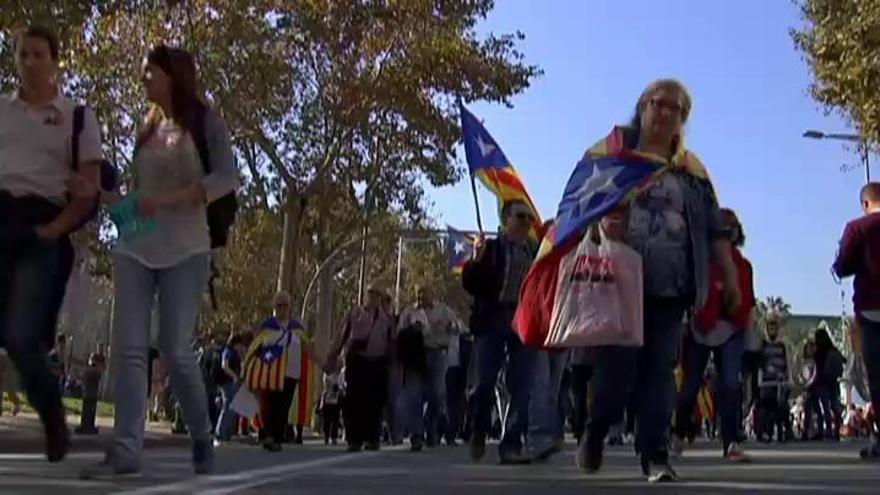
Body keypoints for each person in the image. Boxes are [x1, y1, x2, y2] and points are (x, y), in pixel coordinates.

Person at [569, 79, 741, 483]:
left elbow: (715, 229)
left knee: (660, 372)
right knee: (616, 372)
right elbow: (575, 207)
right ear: (642, 107)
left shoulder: (692, 172)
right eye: (657, 103)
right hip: (618, 284)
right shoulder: (611, 158)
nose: (665, 112)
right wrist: (600, 222)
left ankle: (656, 455)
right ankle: (595, 431)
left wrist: (729, 276)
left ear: (683, 119)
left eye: (675, 108)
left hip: (672, 287)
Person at [80, 44, 238, 479]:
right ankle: (127, 450)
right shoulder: (145, 128)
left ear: (173, 74)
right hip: (135, 246)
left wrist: (170, 200)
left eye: (149, 71)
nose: (142, 78)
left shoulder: (206, 122)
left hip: (187, 249)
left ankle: (202, 433)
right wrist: (101, 199)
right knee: (128, 351)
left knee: (174, 349)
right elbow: (139, 197)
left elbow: (227, 177)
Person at [0, 26, 103, 463]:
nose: (29, 63)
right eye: (23, 55)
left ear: (55, 61)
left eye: (38, 54)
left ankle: (53, 418)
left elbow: (89, 191)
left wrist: (54, 228)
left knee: (23, 339)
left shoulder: (76, 116)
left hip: (42, 227)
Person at [671, 208, 755, 462]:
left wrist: (752, 343)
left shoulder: (743, 266)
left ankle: (731, 442)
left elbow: (749, 303)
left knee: (730, 385)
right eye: (718, 234)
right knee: (690, 387)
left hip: (731, 331)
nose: (723, 240)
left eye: (728, 233)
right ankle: (677, 434)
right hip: (699, 330)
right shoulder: (698, 265)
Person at [462, 200, 538, 465]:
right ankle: (479, 429)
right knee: (484, 383)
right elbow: (470, 283)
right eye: (521, 217)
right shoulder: (492, 248)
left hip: (522, 320)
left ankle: (512, 445)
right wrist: (476, 258)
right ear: (506, 220)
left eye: (530, 218)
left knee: (522, 384)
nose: (527, 223)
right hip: (491, 320)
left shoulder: (534, 250)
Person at [834, 182, 880, 459]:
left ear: (865, 204)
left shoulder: (857, 228)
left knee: (877, 376)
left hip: (872, 309)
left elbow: (843, 266)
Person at [242, 292, 316, 452]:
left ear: (290, 308)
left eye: (285, 306)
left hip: (291, 375)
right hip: (269, 374)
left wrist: (324, 363)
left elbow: (309, 350)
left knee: (283, 406)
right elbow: (254, 349)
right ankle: (269, 435)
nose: (282, 309)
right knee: (269, 405)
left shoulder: (297, 329)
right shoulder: (266, 328)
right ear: (274, 308)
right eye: (278, 306)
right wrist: (246, 369)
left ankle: (277, 437)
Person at [327, 286, 395, 452]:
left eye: (377, 295)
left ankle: (372, 438)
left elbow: (392, 341)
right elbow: (342, 334)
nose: (374, 298)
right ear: (366, 296)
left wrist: (392, 362)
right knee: (354, 400)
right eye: (371, 294)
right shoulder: (355, 314)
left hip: (378, 362)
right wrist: (333, 355)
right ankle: (354, 439)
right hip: (357, 360)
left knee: (375, 402)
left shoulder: (387, 318)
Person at [397, 286, 462, 450]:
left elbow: (458, 327)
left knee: (438, 393)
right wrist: (411, 330)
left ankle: (430, 423)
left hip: (437, 354)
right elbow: (399, 332)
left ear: (432, 294)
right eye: (419, 292)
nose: (421, 295)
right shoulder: (409, 312)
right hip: (415, 357)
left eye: (425, 292)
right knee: (414, 395)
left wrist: (449, 327)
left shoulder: (443, 310)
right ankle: (417, 434)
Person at [756, 316, 792, 443]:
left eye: (774, 328)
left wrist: (789, 380)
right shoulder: (763, 346)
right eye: (770, 328)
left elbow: (787, 363)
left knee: (781, 407)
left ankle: (786, 431)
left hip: (779, 382)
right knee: (765, 408)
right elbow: (759, 365)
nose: (772, 331)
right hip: (765, 383)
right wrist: (759, 381)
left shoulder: (782, 346)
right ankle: (765, 431)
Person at [814, 328, 846, 441]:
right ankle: (836, 430)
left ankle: (827, 430)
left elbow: (816, 368)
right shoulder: (833, 349)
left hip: (822, 382)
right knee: (834, 406)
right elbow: (844, 360)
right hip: (833, 381)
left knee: (825, 407)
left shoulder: (819, 352)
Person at [214, 334, 245, 445]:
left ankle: (225, 435)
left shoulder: (234, 353)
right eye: (240, 345)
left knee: (230, 409)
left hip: (230, 383)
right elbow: (224, 365)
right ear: (236, 344)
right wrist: (234, 376)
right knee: (227, 408)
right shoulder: (228, 351)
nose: (241, 348)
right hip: (227, 383)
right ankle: (220, 434)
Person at [320, 370, 344, 445]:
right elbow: (324, 386)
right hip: (327, 400)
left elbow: (340, 385)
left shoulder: (339, 373)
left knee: (335, 420)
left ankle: (333, 437)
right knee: (327, 420)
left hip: (336, 400)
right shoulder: (326, 374)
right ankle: (326, 436)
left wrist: (338, 389)